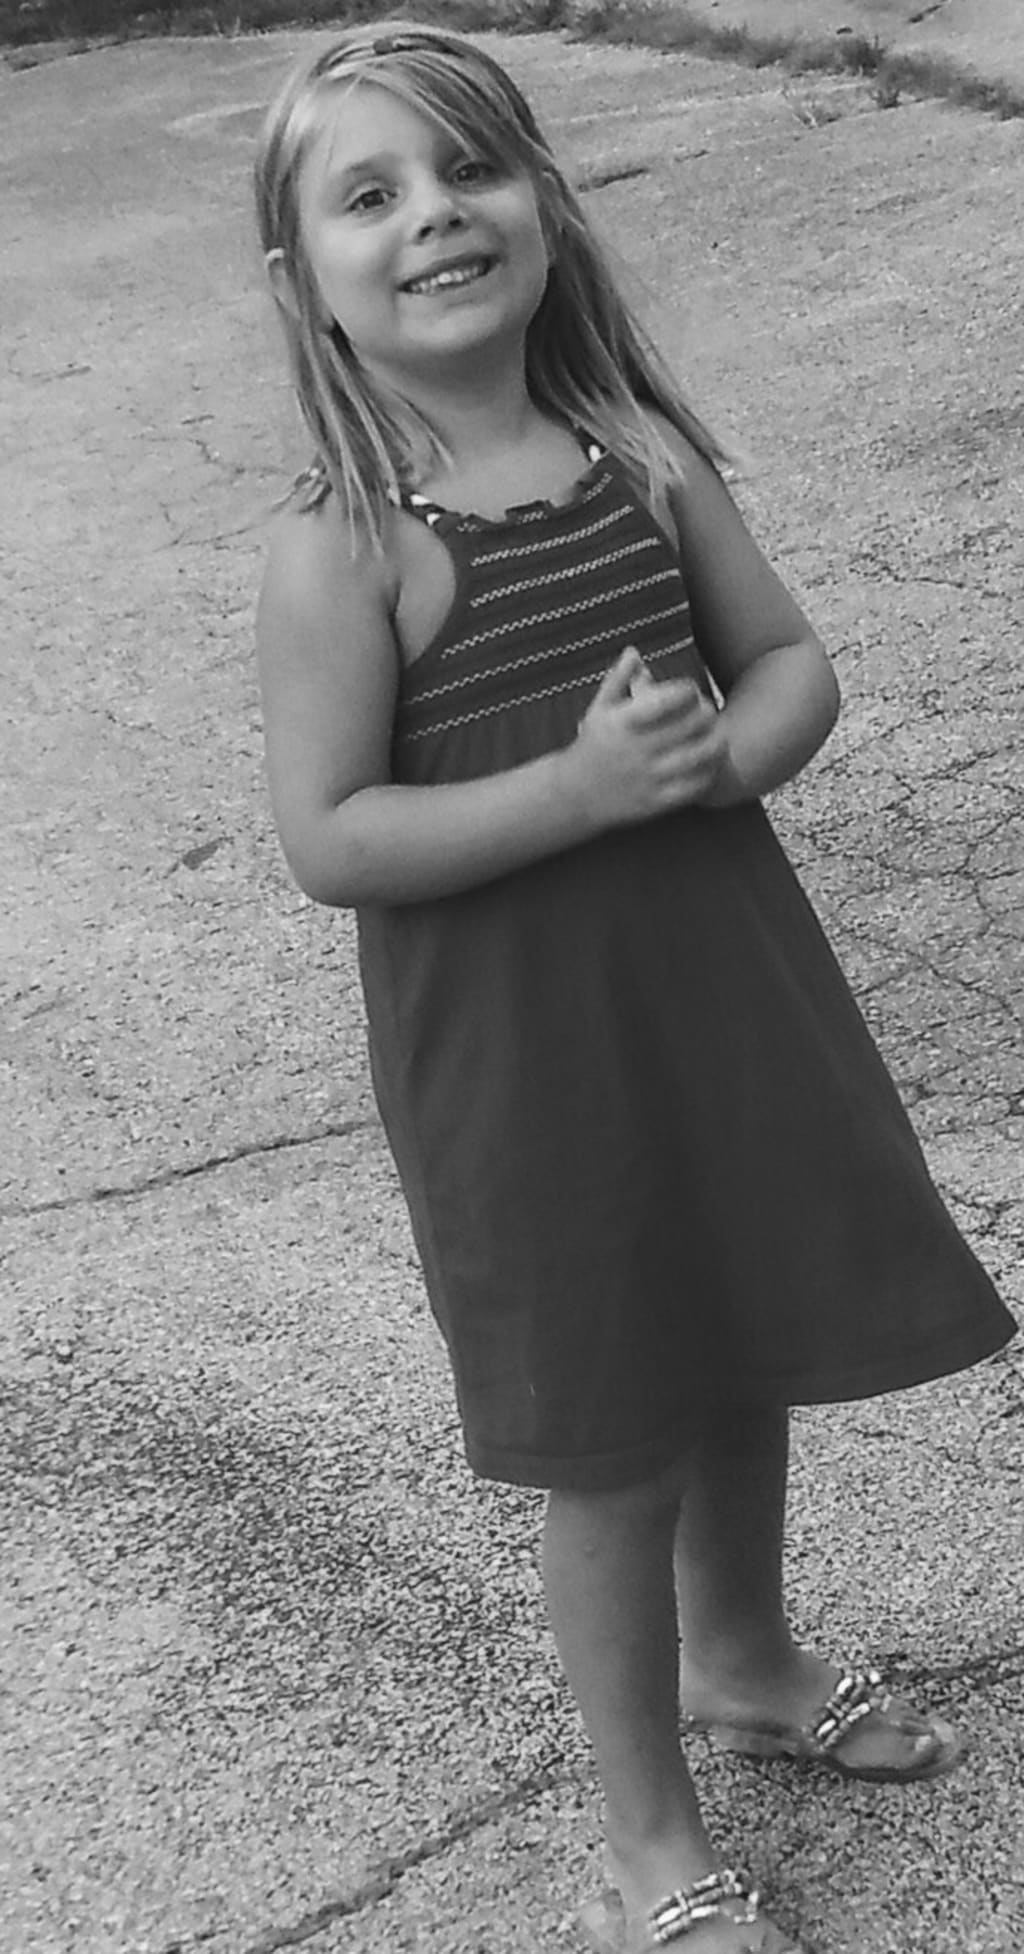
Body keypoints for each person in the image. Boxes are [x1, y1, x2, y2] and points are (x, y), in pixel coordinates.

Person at [251, 25, 1015, 1953]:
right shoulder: (349, 550)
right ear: (305, 280)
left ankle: (743, 1654)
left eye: (471, 170)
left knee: (738, 1338)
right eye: (371, 194)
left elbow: (792, 665)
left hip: (719, 1003)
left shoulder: (640, 457)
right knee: (609, 1432)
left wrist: (726, 752)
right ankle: (645, 1834)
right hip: (524, 1069)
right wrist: (578, 790)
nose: (435, 215)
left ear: (546, 205)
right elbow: (330, 834)